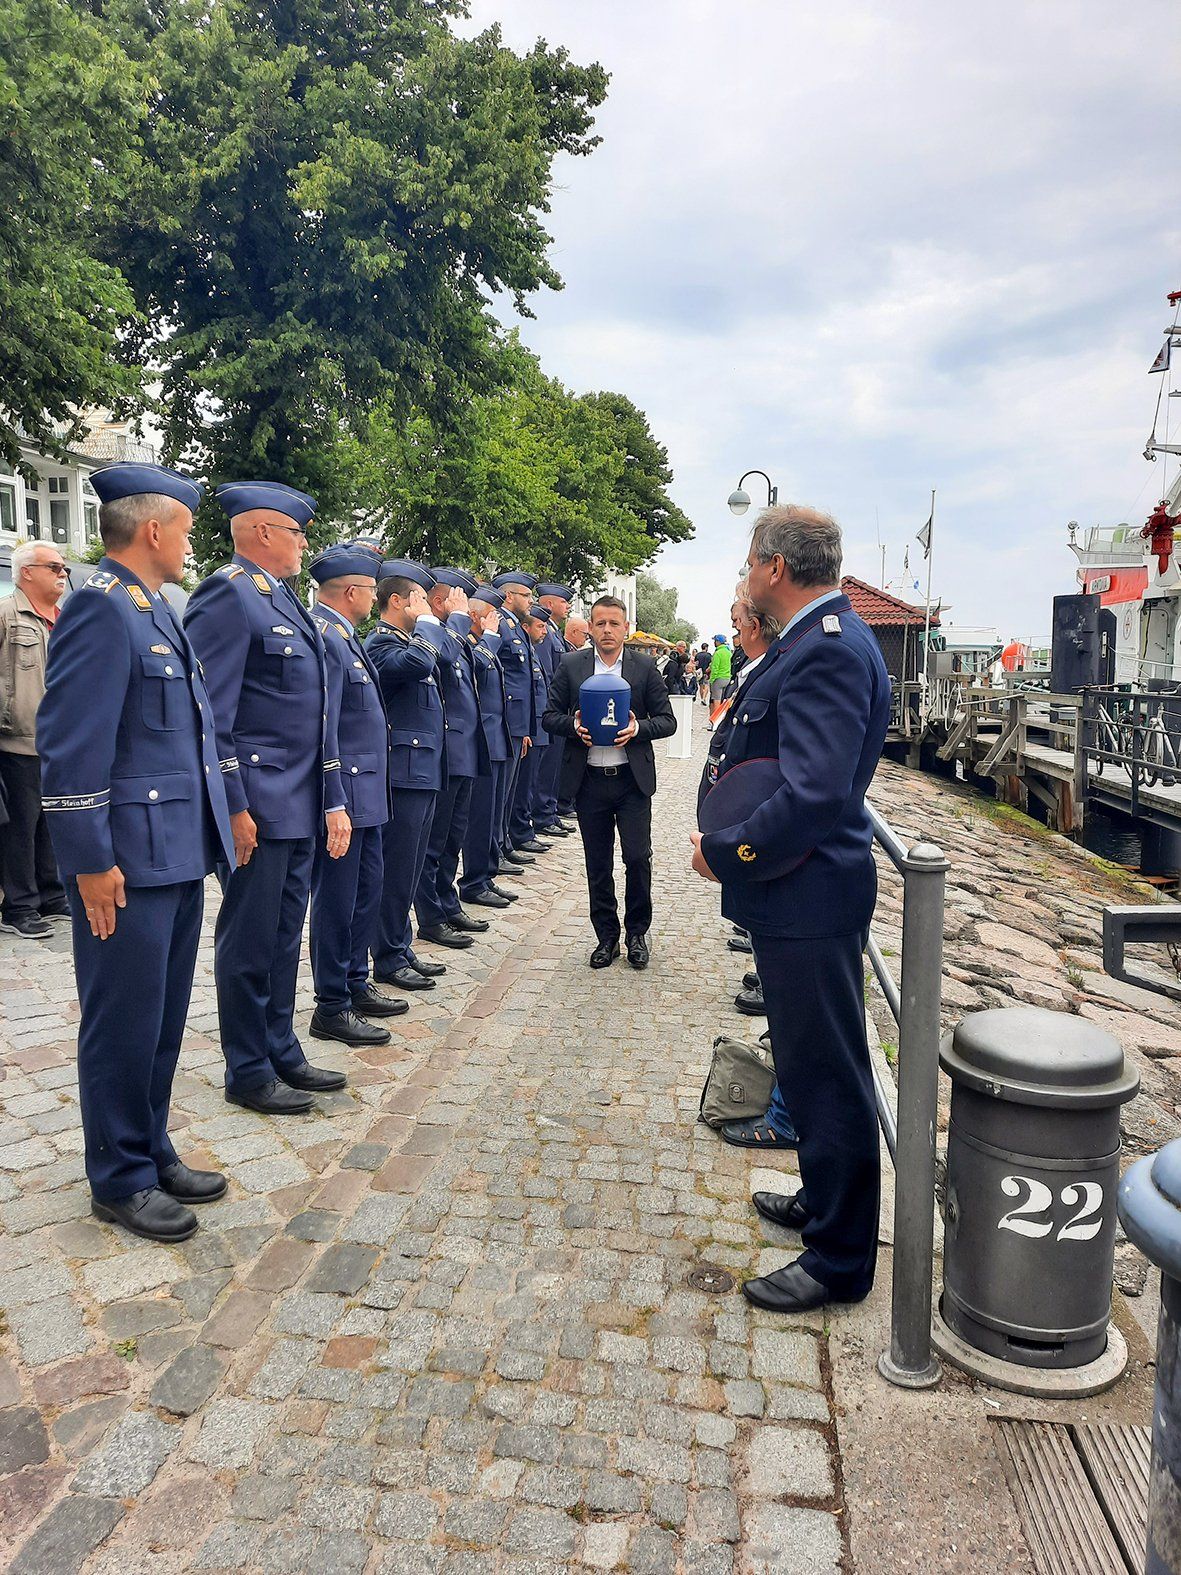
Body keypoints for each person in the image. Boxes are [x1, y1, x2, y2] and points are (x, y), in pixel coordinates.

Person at [690, 504, 890, 1315]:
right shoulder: (815, 639)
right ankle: (820, 1200)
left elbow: (812, 792)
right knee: (807, 1068)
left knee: (828, 1073)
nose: (743, 577)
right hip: (797, 891)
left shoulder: (827, 650)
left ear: (775, 567)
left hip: (807, 890)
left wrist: (729, 848)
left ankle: (840, 1257)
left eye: (746, 563)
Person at [37, 462, 235, 1242]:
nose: (190, 544)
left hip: (177, 852)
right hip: (125, 860)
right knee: (121, 1019)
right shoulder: (101, 610)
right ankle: (117, 1176)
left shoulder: (158, 609)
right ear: (154, 529)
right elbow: (70, 747)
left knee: (159, 1018)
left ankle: (149, 1145)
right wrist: (88, 860)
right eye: (185, 529)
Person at [184, 480, 350, 1117]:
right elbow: (210, 715)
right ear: (261, 533)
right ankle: (247, 1067)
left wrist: (328, 797)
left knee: (284, 936)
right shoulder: (229, 595)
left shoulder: (284, 600)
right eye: (297, 532)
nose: (305, 543)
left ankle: (280, 1046)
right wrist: (232, 805)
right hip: (256, 802)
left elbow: (315, 716)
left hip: (298, 803)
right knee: (250, 940)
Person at [308, 543, 407, 1047]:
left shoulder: (346, 636)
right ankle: (331, 1003)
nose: (375, 598)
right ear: (352, 591)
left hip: (368, 792)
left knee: (365, 894)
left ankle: (352, 980)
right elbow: (324, 723)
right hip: (346, 790)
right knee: (337, 901)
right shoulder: (325, 637)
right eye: (371, 589)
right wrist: (334, 799)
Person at [543, 595, 676, 970]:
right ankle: (607, 937)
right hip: (589, 781)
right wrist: (574, 726)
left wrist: (637, 729)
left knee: (637, 858)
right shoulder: (571, 666)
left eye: (613, 624)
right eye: (600, 623)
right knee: (597, 863)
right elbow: (549, 716)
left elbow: (668, 720)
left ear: (625, 627)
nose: (606, 630)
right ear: (590, 626)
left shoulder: (644, 667)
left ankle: (637, 933)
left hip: (631, 783)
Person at [365, 561, 447, 992]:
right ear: (396, 601)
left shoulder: (412, 641)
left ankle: (399, 945)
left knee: (411, 868)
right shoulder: (381, 643)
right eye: (417, 597)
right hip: (402, 772)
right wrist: (431, 622)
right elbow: (417, 665)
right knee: (396, 869)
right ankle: (388, 956)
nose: (424, 605)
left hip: (423, 769)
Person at [413, 567, 491, 948]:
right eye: (459, 601)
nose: (468, 610)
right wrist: (458, 621)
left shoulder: (453, 637)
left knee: (451, 839)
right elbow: (439, 660)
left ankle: (446, 901)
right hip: (443, 755)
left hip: (463, 753)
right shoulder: (430, 635)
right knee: (434, 841)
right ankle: (430, 915)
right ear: (441, 602)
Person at [0, 543, 69, 937]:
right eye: (54, 566)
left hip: (55, 745)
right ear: (27, 572)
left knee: (51, 825)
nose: (62, 573)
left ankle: (51, 895)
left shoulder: (62, 619)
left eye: (63, 568)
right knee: (20, 831)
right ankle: (19, 907)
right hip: (15, 743)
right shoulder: (7, 614)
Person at [459, 585, 519, 910]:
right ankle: (473, 880)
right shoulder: (469, 645)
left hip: (495, 739)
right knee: (480, 817)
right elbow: (475, 671)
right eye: (489, 616)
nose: (496, 622)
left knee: (493, 814)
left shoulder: (483, 645)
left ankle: (485, 877)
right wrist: (490, 640)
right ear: (473, 617)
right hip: (480, 741)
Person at [489, 570, 538, 871]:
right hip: (505, 722)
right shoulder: (502, 626)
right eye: (527, 595)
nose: (531, 601)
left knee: (507, 794)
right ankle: (496, 848)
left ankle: (503, 843)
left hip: (516, 723)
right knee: (498, 796)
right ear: (509, 596)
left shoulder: (515, 627)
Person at [533, 582, 577, 837]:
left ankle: (548, 811)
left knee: (553, 767)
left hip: (558, 708)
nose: (568, 606)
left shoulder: (553, 632)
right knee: (545, 767)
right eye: (564, 602)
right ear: (549, 604)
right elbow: (545, 674)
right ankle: (542, 813)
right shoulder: (544, 632)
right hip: (549, 709)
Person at [708, 634, 732, 712]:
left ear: (718, 642)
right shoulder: (728, 652)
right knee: (724, 700)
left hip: (718, 678)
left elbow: (715, 668)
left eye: (715, 641)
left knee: (716, 700)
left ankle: (716, 720)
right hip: (727, 677)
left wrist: (712, 680)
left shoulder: (718, 653)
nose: (714, 643)